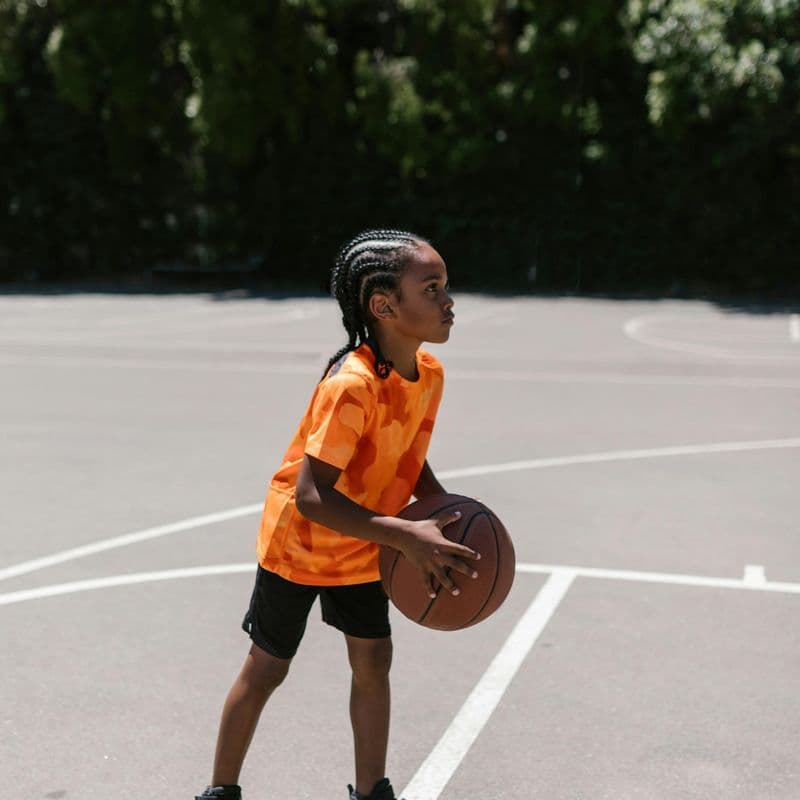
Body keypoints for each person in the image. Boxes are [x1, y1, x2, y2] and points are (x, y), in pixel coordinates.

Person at [195, 229, 480, 800]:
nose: (449, 301)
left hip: (365, 537)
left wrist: (439, 525)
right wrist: (406, 535)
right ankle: (220, 792)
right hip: (300, 541)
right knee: (269, 667)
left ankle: (373, 790)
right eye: (432, 288)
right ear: (384, 306)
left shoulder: (429, 375)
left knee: (374, 659)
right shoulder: (351, 385)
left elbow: (411, 460)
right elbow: (311, 495)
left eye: (446, 286)